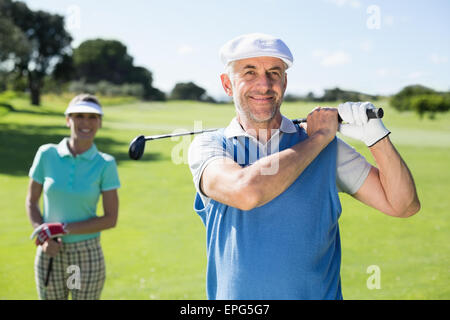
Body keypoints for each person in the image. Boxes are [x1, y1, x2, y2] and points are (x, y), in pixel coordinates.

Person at [188, 33, 420, 300]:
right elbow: (246, 192)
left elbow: (404, 205)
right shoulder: (210, 147)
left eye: (274, 73)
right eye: (249, 73)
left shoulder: (327, 149)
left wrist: (376, 137)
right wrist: (320, 138)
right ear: (227, 84)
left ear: (284, 82)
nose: (264, 85)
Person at [26, 94, 120, 300]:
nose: (86, 123)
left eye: (92, 117)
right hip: (49, 249)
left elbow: (110, 218)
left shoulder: (105, 163)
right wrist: (43, 236)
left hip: (86, 253)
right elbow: (32, 201)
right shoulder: (46, 154)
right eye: (79, 116)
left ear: (100, 122)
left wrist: (61, 228)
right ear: (68, 119)